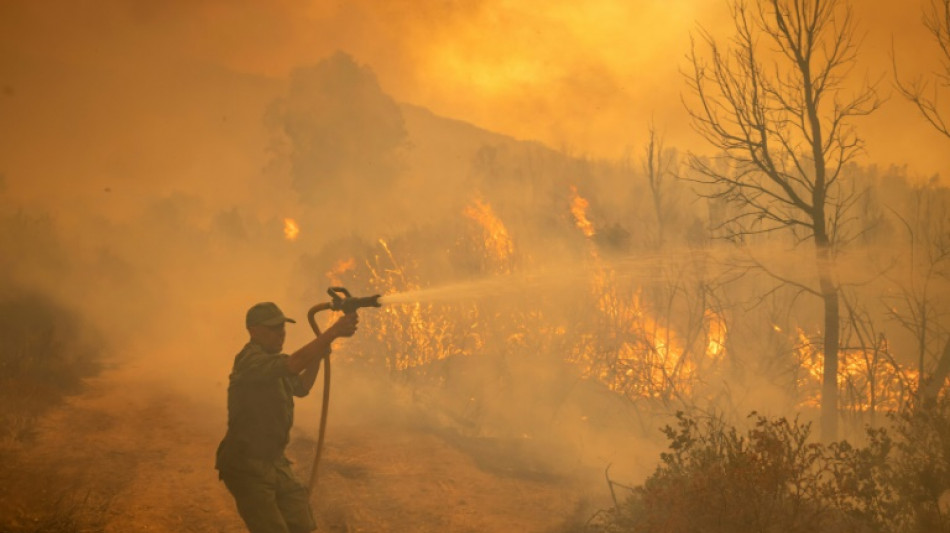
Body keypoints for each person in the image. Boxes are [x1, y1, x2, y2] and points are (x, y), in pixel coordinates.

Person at [216, 301, 359, 533]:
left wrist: (318, 356)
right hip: (246, 464)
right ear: (253, 331)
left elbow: (302, 386)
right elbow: (293, 364)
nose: (280, 333)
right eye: (273, 328)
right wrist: (332, 333)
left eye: (282, 327)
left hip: (274, 460)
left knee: (302, 524)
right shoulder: (250, 361)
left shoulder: (274, 362)